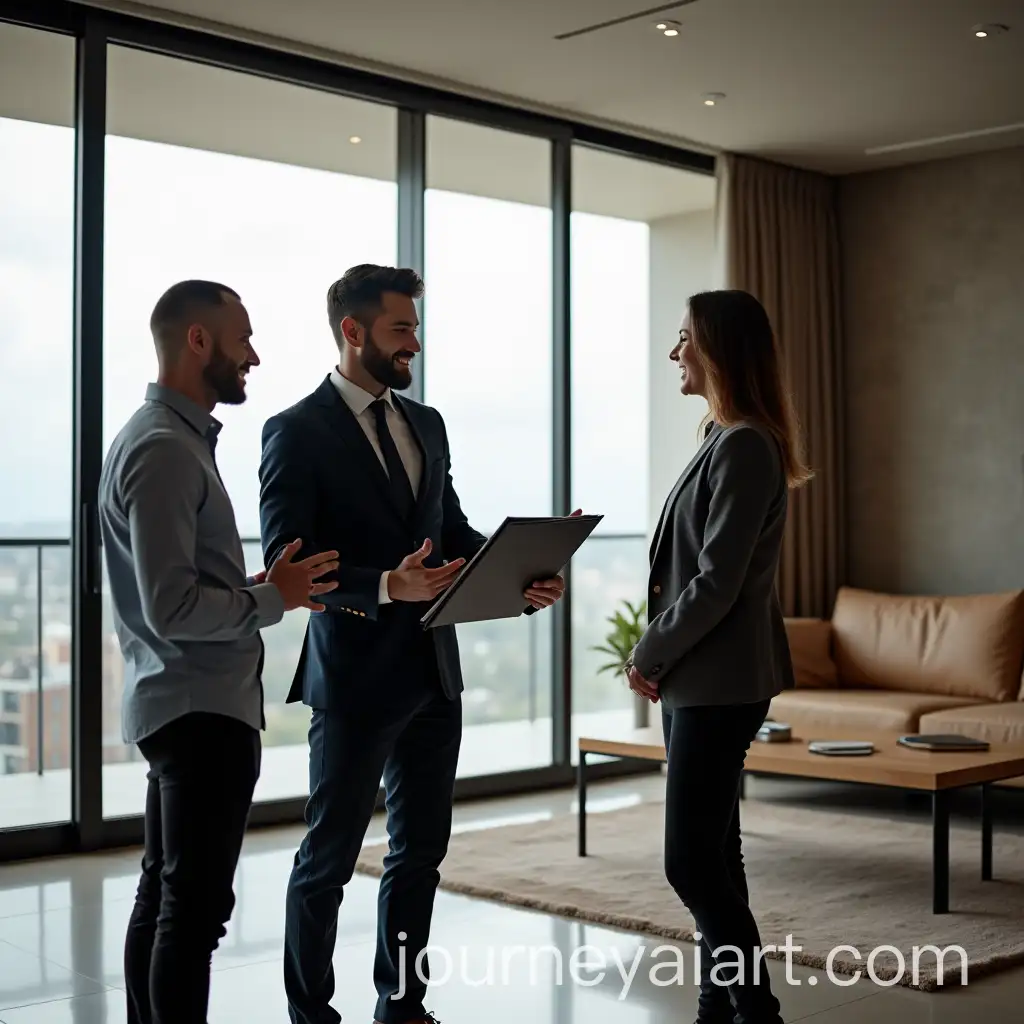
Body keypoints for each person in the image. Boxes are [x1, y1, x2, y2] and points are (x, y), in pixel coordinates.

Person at [259, 264, 572, 1024]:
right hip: (357, 677)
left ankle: (403, 1006)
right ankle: (311, 1016)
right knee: (329, 860)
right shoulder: (294, 431)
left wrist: (520, 575)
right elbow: (289, 568)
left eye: (416, 328)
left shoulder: (426, 424)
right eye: (402, 329)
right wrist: (384, 587)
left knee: (419, 855)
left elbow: (451, 536)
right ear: (353, 331)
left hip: (434, 674)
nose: (416, 345)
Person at [100, 280, 340, 1024]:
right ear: (197, 341)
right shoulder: (166, 449)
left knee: (166, 895)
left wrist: (259, 584)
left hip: (183, 703)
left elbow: (177, 588)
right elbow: (172, 607)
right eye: (243, 340)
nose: (254, 356)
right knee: (193, 915)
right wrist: (274, 600)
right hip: (199, 709)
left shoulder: (163, 439)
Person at [625, 289, 810, 1024]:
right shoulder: (722, 436)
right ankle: (716, 1001)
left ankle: (755, 1008)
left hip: (718, 683)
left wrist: (650, 649)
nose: (674, 353)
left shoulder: (744, 445)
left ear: (719, 349)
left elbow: (715, 584)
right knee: (717, 851)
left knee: (689, 861)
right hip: (703, 680)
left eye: (684, 339)